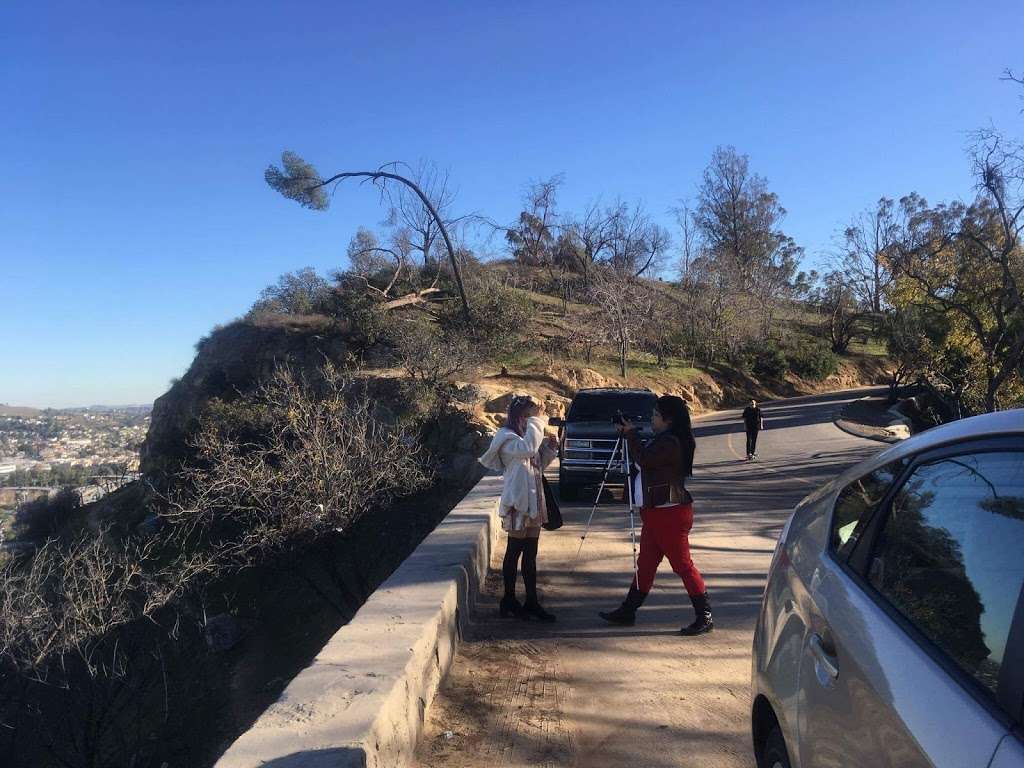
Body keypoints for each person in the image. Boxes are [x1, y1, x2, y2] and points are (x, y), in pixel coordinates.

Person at [599, 395, 712, 636]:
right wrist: (631, 434)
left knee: (682, 565)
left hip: (670, 513)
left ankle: (705, 616)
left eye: (655, 416)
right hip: (655, 512)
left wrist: (631, 434)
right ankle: (628, 610)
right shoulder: (663, 439)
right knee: (646, 564)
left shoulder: (670, 442)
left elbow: (645, 459)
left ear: (668, 420)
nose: (651, 419)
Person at [478, 395, 559, 622]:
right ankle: (509, 599)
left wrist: (550, 450)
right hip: (518, 502)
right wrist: (538, 421)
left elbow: (537, 464)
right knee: (514, 550)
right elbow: (527, 448)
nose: (528, 420)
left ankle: (531, 601)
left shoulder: (524, 436)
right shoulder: (507, 438)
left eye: (529, 417)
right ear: (517, 417)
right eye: (525, 416)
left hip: (534, 500)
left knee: (530, 553)